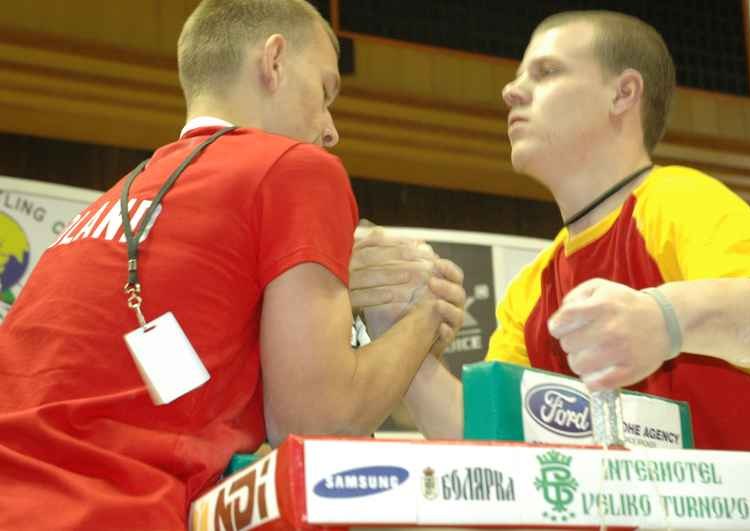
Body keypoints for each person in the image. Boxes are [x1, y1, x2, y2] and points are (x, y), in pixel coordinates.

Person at [0, 1, 465, 529]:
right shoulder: (298, 169)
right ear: (274, 62)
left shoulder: (110, 203)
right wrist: (423, 317)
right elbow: (316, 422)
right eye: (325, 91)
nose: (331, 129)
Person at [399, 10, 750, 453]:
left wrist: (663, 320)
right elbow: (490, 439)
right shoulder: (530, 290)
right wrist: (402, 344)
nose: (510, 91)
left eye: (546, 71)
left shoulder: (677, 199)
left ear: (623, 93)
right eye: (518, 78)